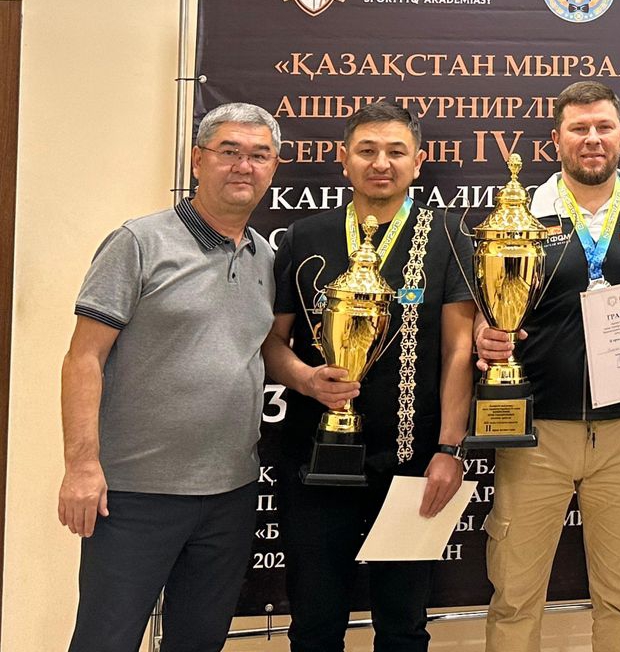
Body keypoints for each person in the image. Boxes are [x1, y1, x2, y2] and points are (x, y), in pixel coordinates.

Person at [476, 80, 620, 652]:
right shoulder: (521, 211)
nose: (592, 138)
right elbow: (484, 309)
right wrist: (483, 334)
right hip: (535, 432)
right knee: (515, 597)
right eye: (579, 128)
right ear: (556, 140)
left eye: (603, 127)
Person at [59, 102, 281, 652]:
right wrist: (82, 465)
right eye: (229, 151)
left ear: (273, 168)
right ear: (198, 160)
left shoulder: (263, 256)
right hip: (134, 496)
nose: (244, 166)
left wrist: (309, 380)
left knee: (199, 642)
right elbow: (82, 359)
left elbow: (253, 351)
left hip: (230, 493)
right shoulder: (138, 242)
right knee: (105, 641)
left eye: (259, 155)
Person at [262, 101, 475, 651]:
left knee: (403, 624)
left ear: (418, 162)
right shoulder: (306, 236)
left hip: (413, 461)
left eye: (396, 152)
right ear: (343, 159)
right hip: (315, 457)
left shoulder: (448, 234)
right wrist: (305, 379)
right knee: (314, 621)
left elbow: (458, 350)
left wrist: (450, 449)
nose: (382, 163)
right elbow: (271, 342)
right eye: (367, 150)